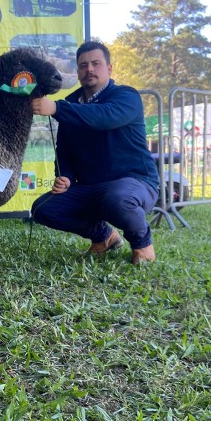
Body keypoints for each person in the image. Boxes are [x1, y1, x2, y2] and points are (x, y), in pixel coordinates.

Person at [30, 40, 159, 264]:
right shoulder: (71, 104)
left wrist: (56, 108)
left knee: (118, 198)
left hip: (135, 182)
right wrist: (67, 178)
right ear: (78, 72)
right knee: (43, 208)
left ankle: (142, 244)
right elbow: (65, 150)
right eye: (83, 65)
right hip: (90, 188)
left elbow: (103, 117)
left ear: (109, 68)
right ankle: (104, 236)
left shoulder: (126, 96)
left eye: (96, 63)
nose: (89, 69)